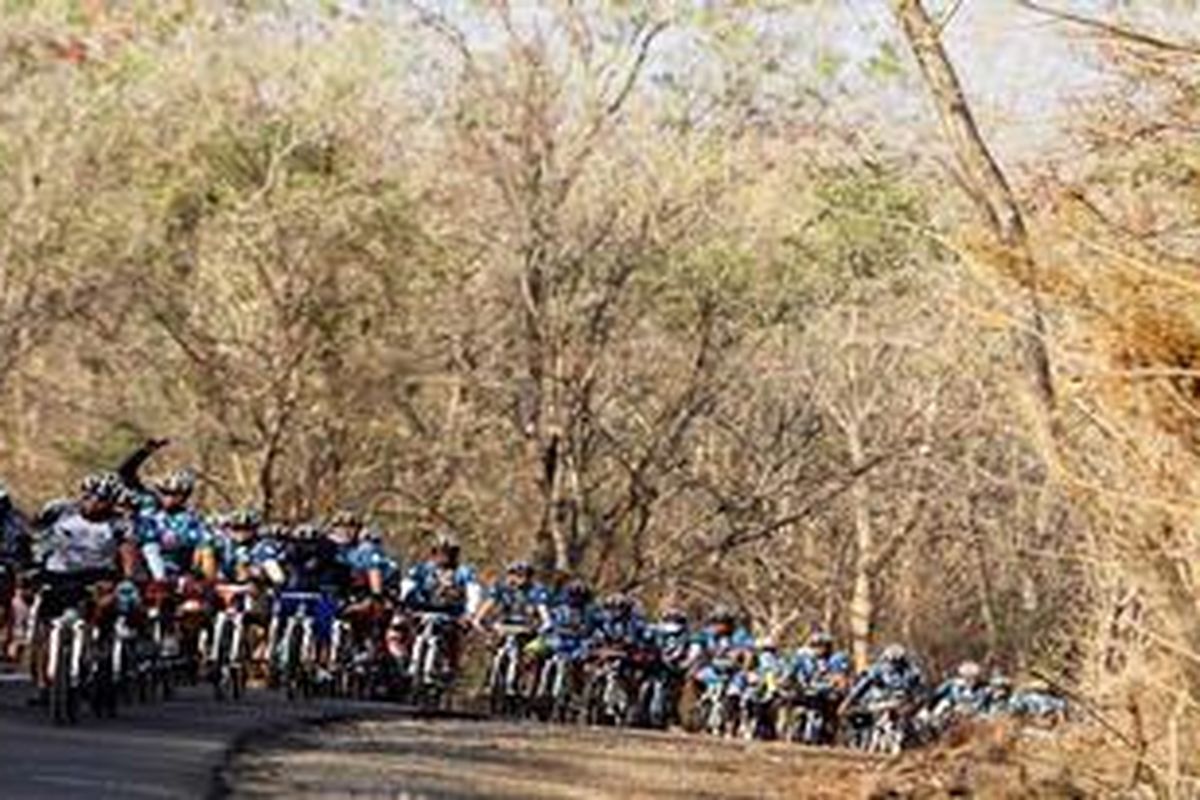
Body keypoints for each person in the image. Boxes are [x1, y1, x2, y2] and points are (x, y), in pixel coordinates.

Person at [27, 473, 132, 702]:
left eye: (102, 500)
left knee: (107, 608)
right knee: (45, 624)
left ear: (112, 502)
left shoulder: (119, 523)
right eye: (89, 497)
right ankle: (45, 681)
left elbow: (127, 553)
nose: (94, 503)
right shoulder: (60, 510)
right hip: (58, 574)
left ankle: (101, 656)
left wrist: (126, 579)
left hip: (98, 575)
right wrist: (30, 564)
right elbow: (32, 532)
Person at [117, 440, 216, 581]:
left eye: (175, 494)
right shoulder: (148, 503)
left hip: (179, 574)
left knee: (207, 551)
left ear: (186, 495)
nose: (168, 498)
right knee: (148, 546)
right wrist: (144, 452)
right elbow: (124, 474)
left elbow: (204, 547)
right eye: (164, 492)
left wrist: (204, 577)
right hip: (142, 570)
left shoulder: (192, 519)